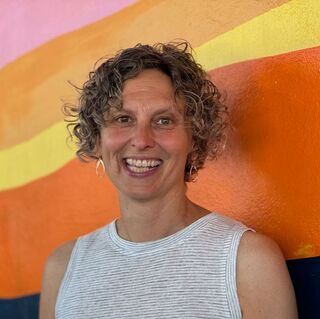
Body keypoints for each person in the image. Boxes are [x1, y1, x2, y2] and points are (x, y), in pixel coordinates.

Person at [39, 42, 297, 319]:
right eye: (123, 118)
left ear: (194, 138)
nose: (141, 140)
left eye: (163, 121)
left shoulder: (247, 262)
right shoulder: (63, 269)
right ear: (97, 139)